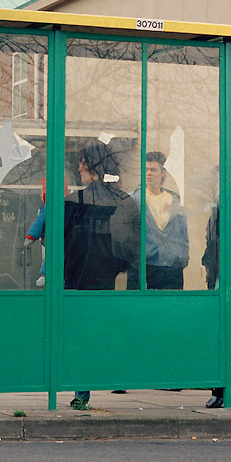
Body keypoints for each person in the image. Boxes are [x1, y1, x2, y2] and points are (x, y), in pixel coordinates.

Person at [63, 140, 139, 408]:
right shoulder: (125, 202)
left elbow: (59, 243)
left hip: (78, 280)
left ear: (87, 167)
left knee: (82, 335)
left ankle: (82, 393)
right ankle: (116, 376)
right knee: (107, 331)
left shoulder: (74, 202)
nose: (79, 168)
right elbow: (131, 246)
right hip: (107, 278)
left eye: (81, 163)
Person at [130, 151, 189, 290]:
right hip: (145, 266)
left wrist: (182, 256)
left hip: (172, 266)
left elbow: (183, 231)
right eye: (146, 169)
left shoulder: (174, 199)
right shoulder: (134, 199)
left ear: (163, 173)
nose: (149, 173)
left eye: (153, 169)